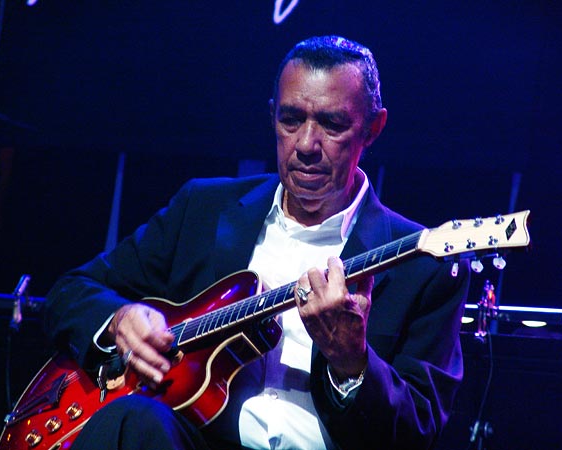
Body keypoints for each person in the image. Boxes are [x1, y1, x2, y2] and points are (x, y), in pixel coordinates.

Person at [44, 35, 470, 449]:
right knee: (132, 418)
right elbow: (71, 291)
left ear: (373, 128)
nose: (306, 144)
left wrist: (351, 362)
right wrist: (119, 320)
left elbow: (416, 433)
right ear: (271, 116)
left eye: (332, 124)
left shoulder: (424, 266)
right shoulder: (203, 209)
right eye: (291, 120)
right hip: (191, 440)